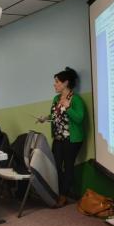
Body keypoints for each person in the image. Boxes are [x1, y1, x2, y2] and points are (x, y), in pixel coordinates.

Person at [38, 67, 85, 207]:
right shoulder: (56, 98)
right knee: (56, 166)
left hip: (72, 139)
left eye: (57, 82)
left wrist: (69, 108)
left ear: (65, 83)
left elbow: (79, 119)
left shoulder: (75, 99)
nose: (55, 84)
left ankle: (63, 196)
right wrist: (45, 118)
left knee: (68, 167)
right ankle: (61, 191)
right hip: (58, 138)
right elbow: (55, 116)